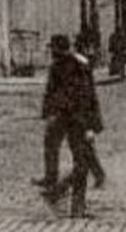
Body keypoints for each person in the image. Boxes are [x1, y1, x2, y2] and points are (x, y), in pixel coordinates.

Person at [41, 33, 104, 218]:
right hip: (68, 120)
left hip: (78, 121)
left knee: (82, 163)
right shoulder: (59, 66)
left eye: (53, 48)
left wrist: (90, 126)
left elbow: (88, 97)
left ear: (60, 49)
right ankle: (72, 203)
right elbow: (50, 92)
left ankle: (63, 196)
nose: (51, 51)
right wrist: (49, 114)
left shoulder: (78, 66)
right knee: (81, 162)